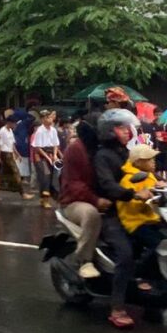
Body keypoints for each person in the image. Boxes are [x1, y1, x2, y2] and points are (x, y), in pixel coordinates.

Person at [94, 108, 152, 329]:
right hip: (113, 213)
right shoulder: (103, 156)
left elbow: (139, 172)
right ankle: (116, 307)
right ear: (110, 131)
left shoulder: (124, 152)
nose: (128, 131)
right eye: (122, 128)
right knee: (126, 254)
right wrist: (132, 194)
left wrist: (161, 184)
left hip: (132, 209)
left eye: (128, 127)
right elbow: (108, 185)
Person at [59, 118, 109, 280]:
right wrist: (96, 200)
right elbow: (74, 184)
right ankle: (84, 260)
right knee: (91, 214)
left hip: (102, 196)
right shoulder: (75, 150)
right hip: (74, 201)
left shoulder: (102, 148)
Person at [117, 145, 165, 276]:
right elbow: (131, 203)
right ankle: (142, 274)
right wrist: (141, 197)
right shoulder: (128, 179)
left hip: (151, 218)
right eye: (149, 159)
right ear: (138, 162)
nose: (153, 162)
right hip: (136, 221)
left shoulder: (150, 175)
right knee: (159, 244)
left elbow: (155, 190)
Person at [31, 109, 62, 209]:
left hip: (51, 153)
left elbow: (55, 144)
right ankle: (45, 200)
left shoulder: (53, 130)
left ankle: (47, 197)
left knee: (52, 176)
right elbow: (38, 147)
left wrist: (55, 155)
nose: (50, 119)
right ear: (43, 119)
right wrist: (47, 157)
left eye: (50, 117)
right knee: (45, 176)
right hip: (41, 155)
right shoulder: (40, 131)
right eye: (48, 117)